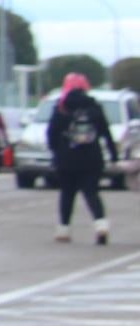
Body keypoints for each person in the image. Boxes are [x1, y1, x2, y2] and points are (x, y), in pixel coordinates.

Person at [50, 73, 116, 245]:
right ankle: (101, 226)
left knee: (67, 194)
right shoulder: (94, 106)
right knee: (92, 193)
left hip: (67, 158)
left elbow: (51, 134)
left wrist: (56, 152)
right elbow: (105, 132)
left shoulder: (61, 107)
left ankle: (64, 229)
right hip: (91, 157)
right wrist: (113, 154)